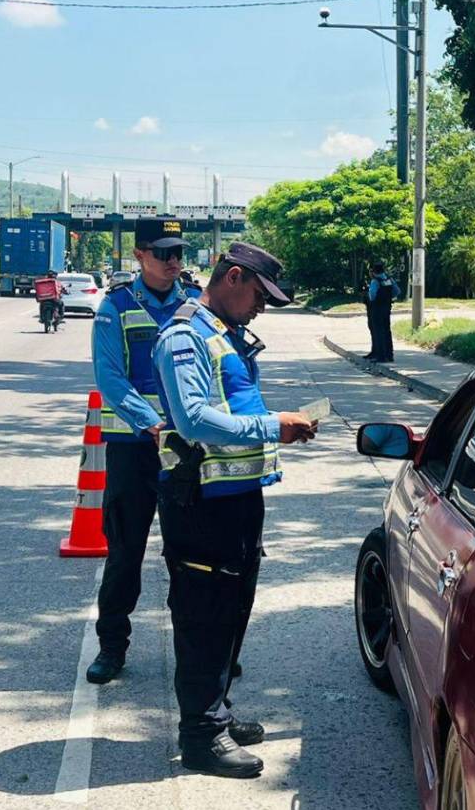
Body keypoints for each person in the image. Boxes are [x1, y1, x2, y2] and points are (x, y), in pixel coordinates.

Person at [152, 243, 317, 778]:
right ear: (234, 277)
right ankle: (201, 737)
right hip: (200, 506)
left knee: (231, 614)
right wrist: (275, 426)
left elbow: (234, 408)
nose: (261, 309)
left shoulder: (223, 334)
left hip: (237, 500)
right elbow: (195, 418)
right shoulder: (185, 336)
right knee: (204, 619)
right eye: (259, 297)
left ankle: (216, 715)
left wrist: (278, 426)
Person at [85, 218, 193, 684]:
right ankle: (112, 647)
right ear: (139, 256)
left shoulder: (195, 307)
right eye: (163, 253)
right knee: (125, 553)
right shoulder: (115, 307)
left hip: (186, 450)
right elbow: (110, 378)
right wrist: (151, 424)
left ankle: (200, 653)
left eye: (179, 254)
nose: (173, 263)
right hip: (133, 449)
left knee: (189, 553)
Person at [367, 261, 400, 363]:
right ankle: (389, 355)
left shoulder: (375, 281)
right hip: (387, 308)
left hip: (377, 309)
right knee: (387, 331)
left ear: (373, 271)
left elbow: (372, 296)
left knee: (378, 332)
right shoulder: (389, 279)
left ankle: (380, 356)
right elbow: (397, 291)